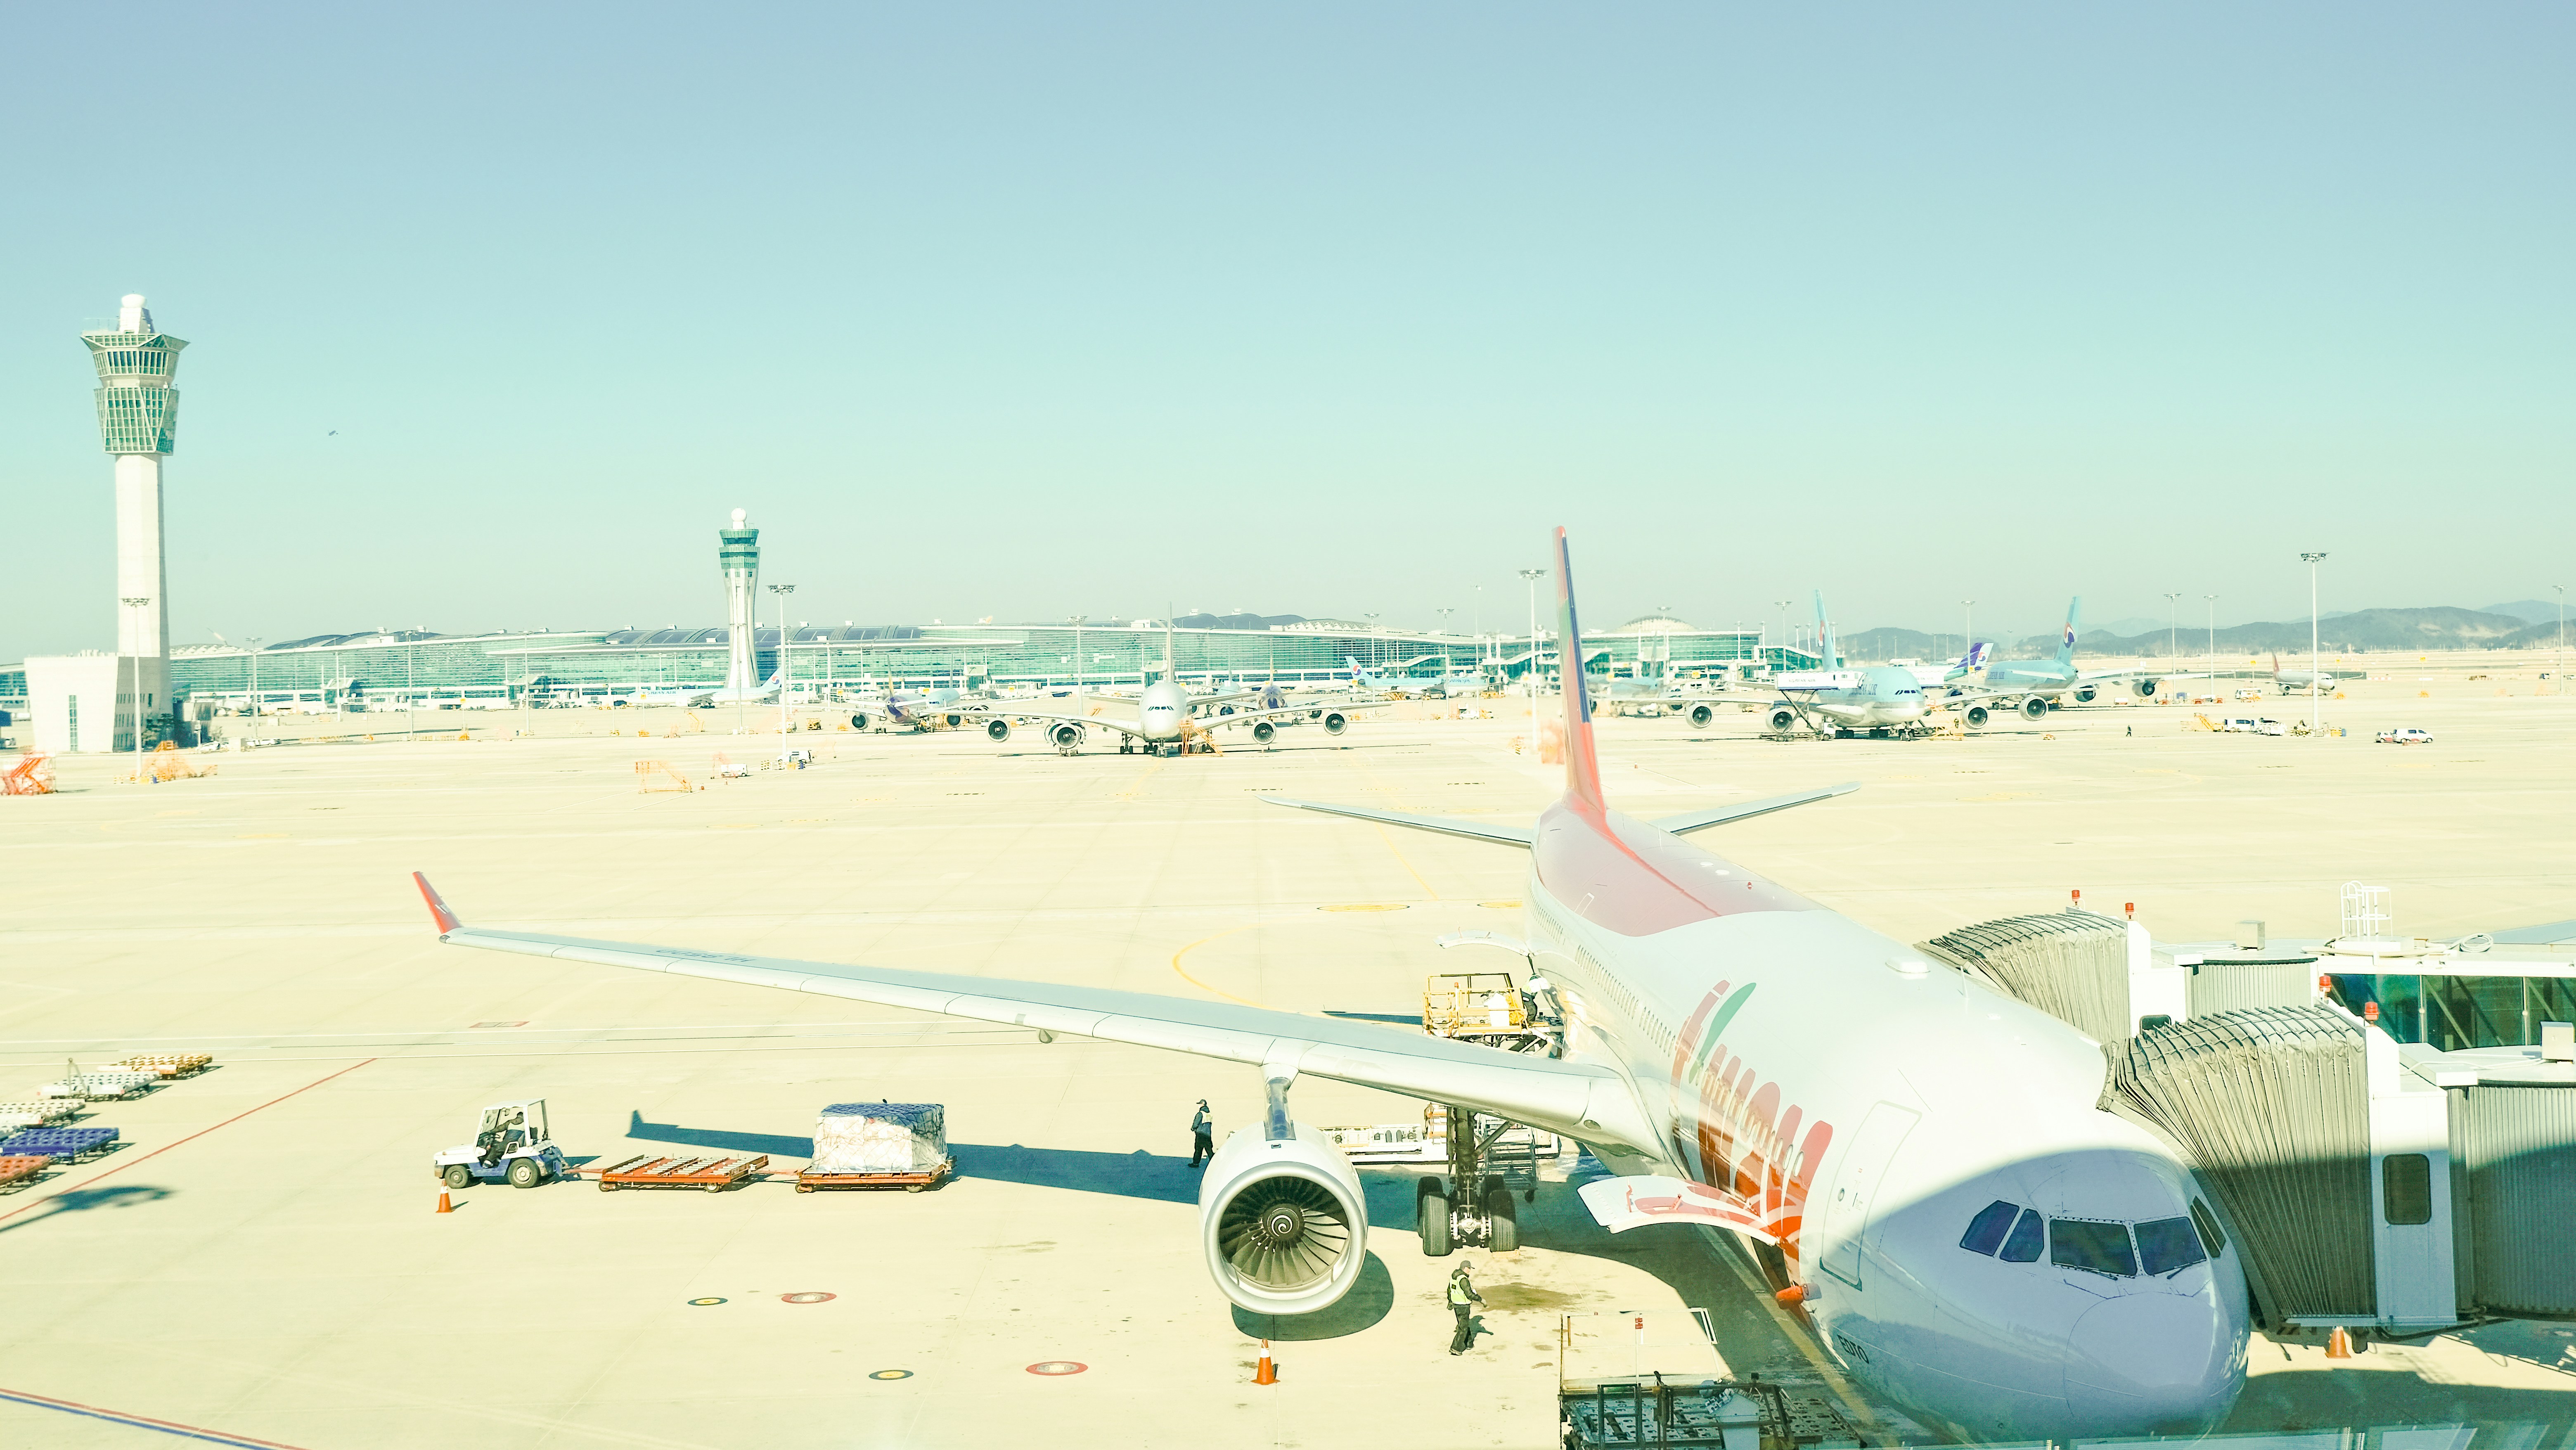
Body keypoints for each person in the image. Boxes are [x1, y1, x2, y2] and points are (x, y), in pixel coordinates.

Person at [1447, 1264, 1485, 1355]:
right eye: (1469, 1269)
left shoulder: (1454, 1277)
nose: (1469, 1271)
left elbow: (1450, 1290)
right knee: (1463, 1328)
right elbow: (1469, 1294)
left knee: (1464, 1324)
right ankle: (1455, 1348)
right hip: (1463, 1306)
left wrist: (1450, 1302)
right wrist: (1481, 1300)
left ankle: (1469, 1344)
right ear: (1464, 1268)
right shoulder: (1463, 1280)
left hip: (1457, 1305)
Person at [1189, 1099, 1213, 1168]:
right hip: (1208, 1135)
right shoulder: (1209, 1114)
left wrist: (1193, 1128)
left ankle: (1196, 1164)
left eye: (1200, 1104)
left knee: (1198, 1150)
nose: (1199, 1105)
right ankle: (1215, 1163)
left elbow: (1196, 1123)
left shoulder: (1200, 1114)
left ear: (1203, 1105)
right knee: (1209, 1150)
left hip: (1200, 1135)